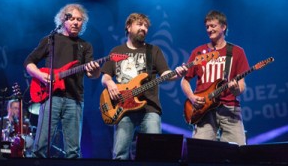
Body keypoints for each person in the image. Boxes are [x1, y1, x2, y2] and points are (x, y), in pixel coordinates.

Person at [101, 13, 187, 160]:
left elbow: (165, 73)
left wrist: (177, 73)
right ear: (128, 27)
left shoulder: (153, 50)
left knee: (153, 154)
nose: (143, 28)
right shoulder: (117, 51)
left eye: (146, 26)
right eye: (139, 24)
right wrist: (110, 83)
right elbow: (105, 76)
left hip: (150, 108)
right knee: (120, 154)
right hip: (123, 108)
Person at [24, 3, 100, 158]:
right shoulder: (50, 40)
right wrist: (41, 75)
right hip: (51, 98)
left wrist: (96, 70)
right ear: (63, 20)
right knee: (40, 148)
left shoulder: (85, 46)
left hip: (75, 99)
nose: (76, 22)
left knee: (73, 151)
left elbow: (92, 75)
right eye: (72, 18)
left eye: (79, 20)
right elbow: (29, 63)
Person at [181, 10, 249, 145]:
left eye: (213, 26)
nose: (209, 29)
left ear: (223, 27)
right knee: (200, 152)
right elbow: (185, 80)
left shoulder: (237, 51)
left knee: (238, 152)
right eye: (207, 27)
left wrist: (235, 89)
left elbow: (241, 86)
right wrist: (192, 98)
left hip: (229, 108)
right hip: (203, 110)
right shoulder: (198, 52)